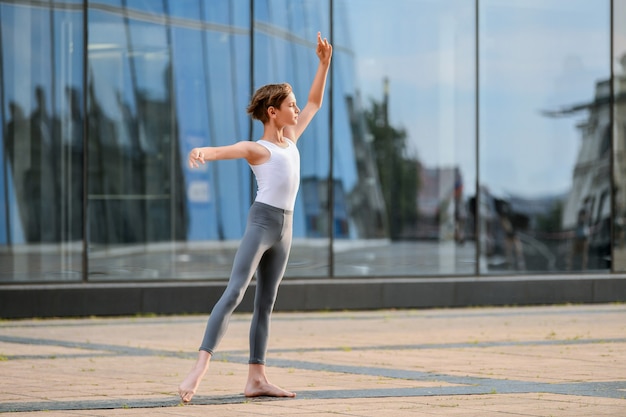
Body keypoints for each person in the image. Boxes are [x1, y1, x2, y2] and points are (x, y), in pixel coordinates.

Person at [178, 32, 332, 403]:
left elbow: (314, 101)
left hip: (287, 229)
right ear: (272, 112)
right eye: (289, 106)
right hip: (263, 224)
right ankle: (199, 369)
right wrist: (202, 151)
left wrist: (324, 64)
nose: (297, 110)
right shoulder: (258, 149)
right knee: (235, 292)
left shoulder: (292, 140)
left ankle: (256, 378)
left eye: (295, 106)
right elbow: (225, 150)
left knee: (266, 302)